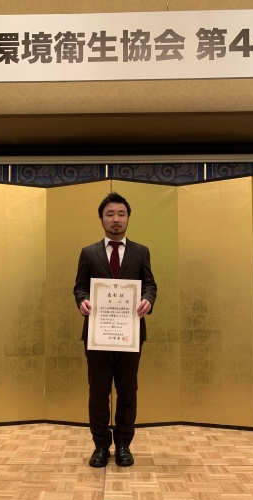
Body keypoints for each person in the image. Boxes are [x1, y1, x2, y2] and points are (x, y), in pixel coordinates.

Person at [73, 191, 157, 468]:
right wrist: (82, 301)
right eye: (110, 214)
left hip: (129, 334)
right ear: (101, 219)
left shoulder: (141, 252)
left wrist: (148, 299)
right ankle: (100, 446)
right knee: (98, 393)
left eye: (121, 214)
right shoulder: (89, 252)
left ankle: (123, 445)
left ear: (128, 218)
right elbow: (80, 286)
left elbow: (150, 284)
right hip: (97, 334)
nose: (116, 219)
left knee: (127, 392)